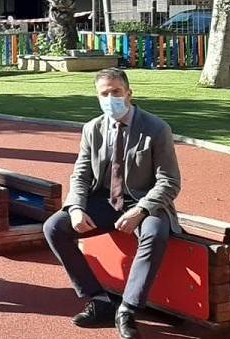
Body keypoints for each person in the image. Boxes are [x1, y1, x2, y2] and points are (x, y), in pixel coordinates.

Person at [43, 68, 182, 339]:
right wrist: (75, 208)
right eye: (104, 94)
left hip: (145, 202)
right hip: (105, 200)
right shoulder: (93, 128)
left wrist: (141, 210)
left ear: (129, 93)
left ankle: (128, 309)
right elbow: (81, 174)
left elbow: (169, 182)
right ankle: (100, 301)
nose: (110, 98)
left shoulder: (156, 128)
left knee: (154, 233)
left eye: (116, 92)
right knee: (53, 227)